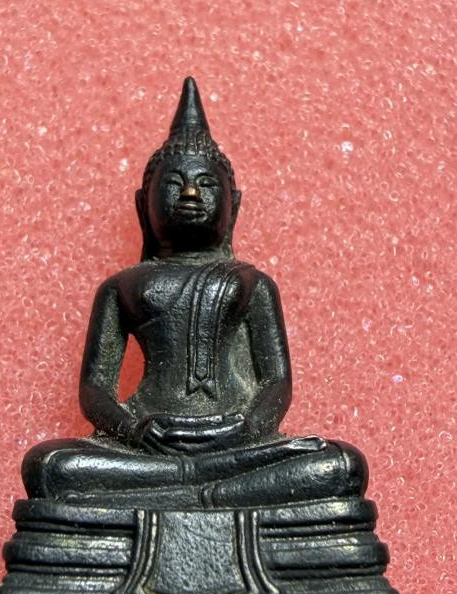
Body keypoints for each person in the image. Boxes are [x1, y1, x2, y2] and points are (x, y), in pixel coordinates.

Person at [22, 78, 367, 509]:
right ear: (142, 204)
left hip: (236, 442)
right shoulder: (121, 287)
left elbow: (276, 383)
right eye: (173, 183)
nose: (189, 193)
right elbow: (95, 391)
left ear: (233, 204)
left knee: (342, 465)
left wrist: (247, 428)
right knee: (51, 466)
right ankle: (211, 492)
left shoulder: (253, 283)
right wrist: (135, 431)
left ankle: (189, 490)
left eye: (206, 184)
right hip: (151, 444)